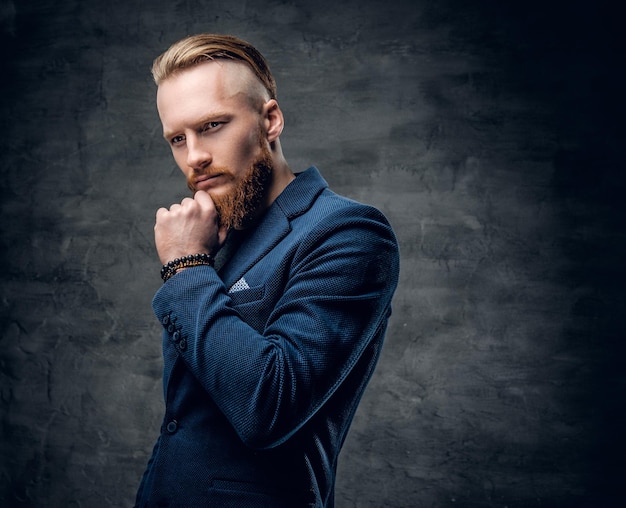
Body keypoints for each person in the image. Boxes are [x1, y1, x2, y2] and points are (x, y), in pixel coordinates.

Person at [134, 33, 400, 508]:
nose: (193, 156)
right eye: (177, 138)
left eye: (212, 125)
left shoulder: (348, 232)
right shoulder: (218, 235)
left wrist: (185, 266)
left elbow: (267, 405)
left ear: (270, 120)